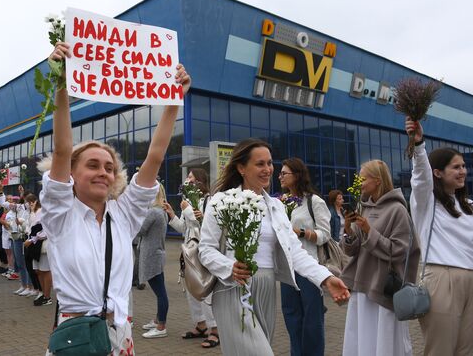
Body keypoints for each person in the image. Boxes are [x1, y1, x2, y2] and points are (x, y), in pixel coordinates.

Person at [39, 41, 191, 355]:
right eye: (92, 165)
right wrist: (61, 84)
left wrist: (174, 100)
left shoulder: (123, 215)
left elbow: (155, 156)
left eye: (109, 168)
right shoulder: (60, 215)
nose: (103, 173)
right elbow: (62, 149)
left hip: (121, 335)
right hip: (76, 337)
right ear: (71, 173)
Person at [198, 138, 350, 356]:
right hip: (233, 287)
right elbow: (206, 249)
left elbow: (295, 252)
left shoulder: (276, 206)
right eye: (260, 164)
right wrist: (229, 266)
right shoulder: (221, 201)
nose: (268, 169)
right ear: (241, 168)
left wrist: (325, 278)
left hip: (267, 289)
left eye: (270, 163)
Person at [406, 118, 473, 356]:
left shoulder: (471, 206)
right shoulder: (426, 203)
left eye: (464, 166)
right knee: (440, 350)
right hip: (441, 278)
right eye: (456, 167)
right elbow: (421, 177)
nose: (463, 171)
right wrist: (419, 146)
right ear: (437, 172)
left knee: (465, 350)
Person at [340, 159, 420, 356]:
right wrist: (348, 229)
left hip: (383, 289)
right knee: (362, 342)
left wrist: (369, 231)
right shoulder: (364, 207)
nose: (359, 182)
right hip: (361, 288)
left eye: (362, 178)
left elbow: (400, 251)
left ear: (377, 180)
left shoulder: (398, 210)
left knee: (383, 344)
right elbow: (351, 251)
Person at [278, 157, 332, 356]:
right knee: (292, 318)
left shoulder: (314, 201)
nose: (280, 176)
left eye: (285, 173)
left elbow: (325, 234)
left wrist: (300, 232)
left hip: (309, 268)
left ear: (297, 175)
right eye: (280, 173)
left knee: (312, 321)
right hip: (287, 267)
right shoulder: (280, 202)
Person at [163, 168, 220, 348]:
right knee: (192, 290)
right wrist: (172, 214)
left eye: (190, 177)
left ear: (200, 182)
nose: (187, 180)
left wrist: (188, 210)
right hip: (189, 252)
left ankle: (215, 331)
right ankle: (200, 325)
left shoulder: (209, 201)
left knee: (205, 290)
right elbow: (183, 228)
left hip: (203, 251)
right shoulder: (186, 201)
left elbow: (204, 226)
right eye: (187, 177)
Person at [138, 184, 170, 338]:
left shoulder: (153, 212)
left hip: (152, 256)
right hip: (156, 254)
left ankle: (161, 326)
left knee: (160, 293)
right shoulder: (161, 211)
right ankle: (158, 320)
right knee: (160, 291)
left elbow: (140, 230)